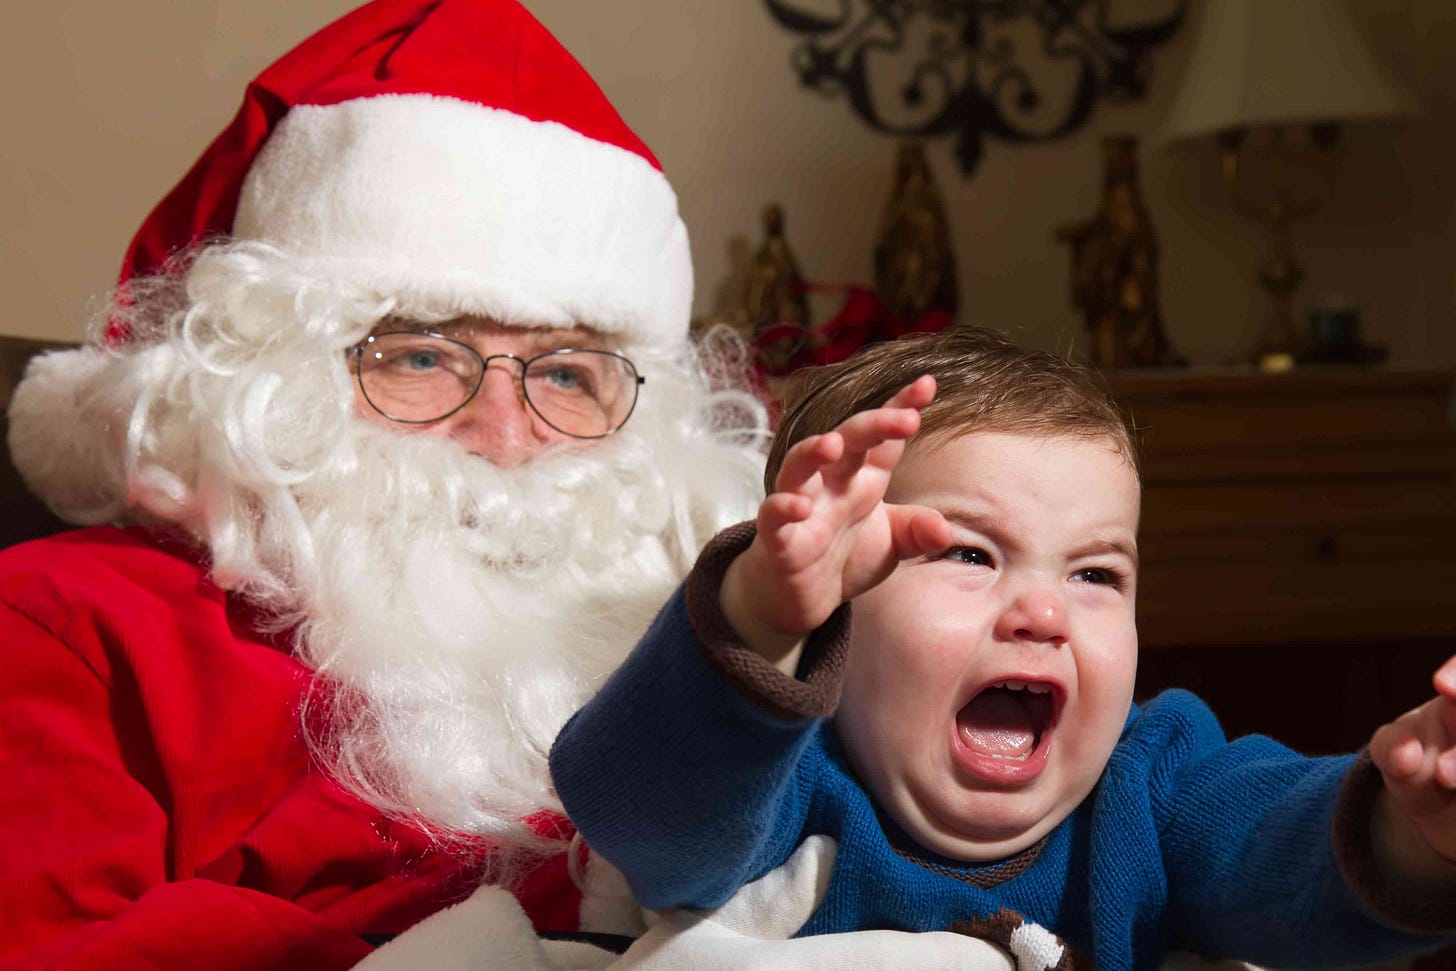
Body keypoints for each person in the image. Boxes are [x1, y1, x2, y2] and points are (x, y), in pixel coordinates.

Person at [0, 0, 770, 965]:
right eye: (420, 357)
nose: (503, 432)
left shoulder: (701, 664)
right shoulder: (69, 622)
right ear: (269, 376)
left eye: (569, 374)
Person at [552, 327, 1456, 970]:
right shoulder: (776, 790)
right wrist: (759, 609)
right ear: (838, 603)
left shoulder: (1153, 784)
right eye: (971, 553)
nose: (1044, 614)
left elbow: (1285, 856)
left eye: (1096, 574)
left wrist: (1414, 830)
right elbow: (640, 812)